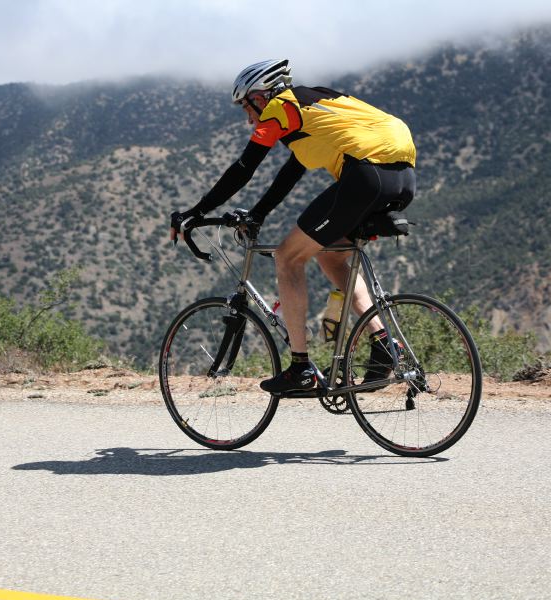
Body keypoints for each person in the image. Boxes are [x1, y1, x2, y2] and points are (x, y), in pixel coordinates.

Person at [170, 59, 416, 393]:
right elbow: (292, 171)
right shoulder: (314, 103)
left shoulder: (280, 108)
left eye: (247, 105)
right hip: (403, 179)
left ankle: (300, 367)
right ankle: (384, 343)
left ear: (263, 95)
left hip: (365, 176)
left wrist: (196, 211)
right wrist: (259, 212)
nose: (248, 117)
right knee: (331, 257)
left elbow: (244, 167)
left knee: (288, 258)